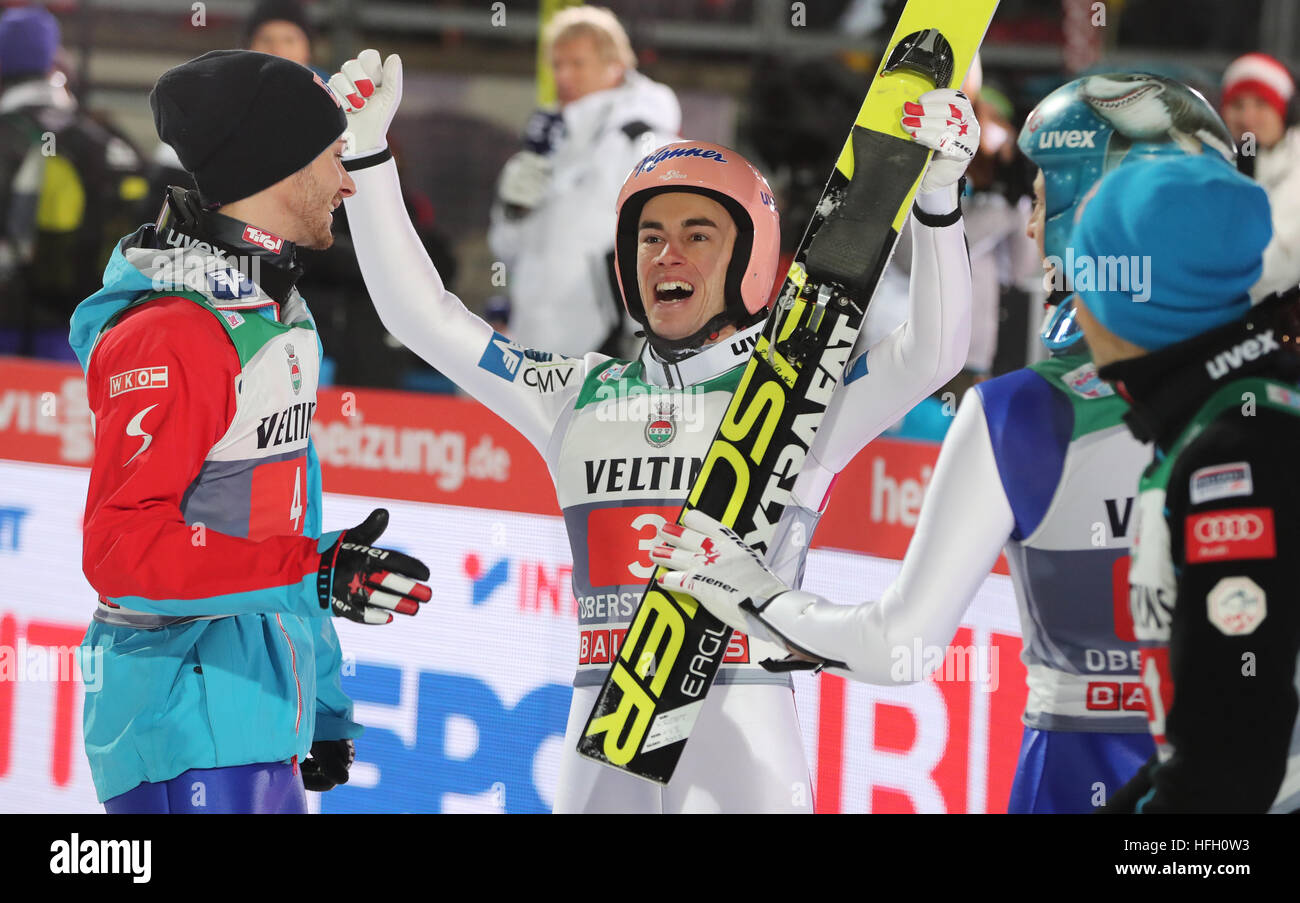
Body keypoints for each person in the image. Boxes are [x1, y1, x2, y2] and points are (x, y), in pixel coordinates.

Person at [330, 49, 978, 813]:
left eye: (698, 234)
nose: (666, 254)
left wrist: (938, 200)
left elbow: (934, 353)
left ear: (751, 259)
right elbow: (423, 317)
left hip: (750, 758)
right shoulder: (575, 394)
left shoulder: (800, 398)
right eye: (649, 237)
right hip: (603, 747)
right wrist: (368, 159)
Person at [650, 73, 1241, 814]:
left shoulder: (1023, 411)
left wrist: (752, 589)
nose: (1030, 228)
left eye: (1039, 201)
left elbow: (901, 646)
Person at [68, 50, 433, 814]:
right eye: (335, 157)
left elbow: (292, 533)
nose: (347, 180)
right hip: (180, 727)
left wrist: (324, 704)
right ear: (281, 165)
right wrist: (318, 571)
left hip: (256, 713)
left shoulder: (274, 318)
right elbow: (120, 552)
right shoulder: (175, 329)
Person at [1067, 154, 1299, 813]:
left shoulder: (1238, 457)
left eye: (1085, 275)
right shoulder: (1227, 414)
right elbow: (1206, 735)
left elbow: (1230, 771)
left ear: (1127, 300)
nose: (1073, 302)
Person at [487, 5, 681, 358]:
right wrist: (513, 212)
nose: (563, 75)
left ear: (615, 65)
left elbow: (666, 242)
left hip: (606, 347)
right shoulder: (542, 144)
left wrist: (643, 335)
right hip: (530, 339)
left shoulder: (644, 142)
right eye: (557, 64)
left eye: (577, 63)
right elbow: (505, 249)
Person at [0, 5, 149, 360]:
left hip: (11, 331)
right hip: (93, 334)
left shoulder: (8, 135)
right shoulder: (105, 139)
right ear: (54, 62)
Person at [1220, 52, 1300, 300]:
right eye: (1237, 105)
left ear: (1286, 112)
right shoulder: (1217, 163)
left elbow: (1273, 270)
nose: (1247, 119)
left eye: (1261, 104)